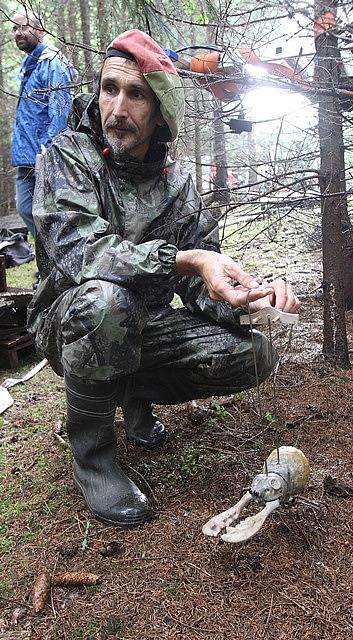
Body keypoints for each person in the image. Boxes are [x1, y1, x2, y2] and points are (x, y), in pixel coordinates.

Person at [28, 29, 300, 529]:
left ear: (160, 112)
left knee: (252, 352)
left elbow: (201, 280)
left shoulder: (177, 185)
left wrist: (243, 296)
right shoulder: (67, 156)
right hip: (70, 321)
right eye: (110, 89)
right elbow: (81, 251)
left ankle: (132, 393)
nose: (117, 108)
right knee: (106, 302)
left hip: (142, 327)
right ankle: (94, 457)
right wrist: (184, 260)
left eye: (136, 95)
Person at [11, 9, 77, 237]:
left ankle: (57, 264)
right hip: (26, 156)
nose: (18, 33)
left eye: (23, 27)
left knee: (50, 213)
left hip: (43, 155)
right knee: (25, 209)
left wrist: (48, 148)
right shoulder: (31, 64)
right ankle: (48, 261)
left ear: (40, 30)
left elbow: (61, 110)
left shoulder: (53, 62)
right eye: (15, 28)